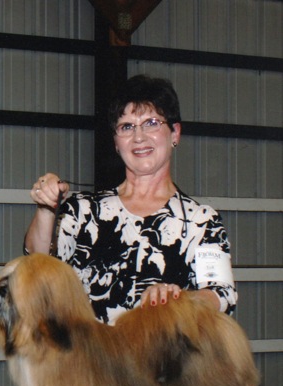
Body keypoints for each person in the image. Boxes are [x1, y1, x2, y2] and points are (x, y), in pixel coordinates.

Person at [25, 74, 237, 325]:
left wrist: (181, 299)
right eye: (127, 126)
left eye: (151, 123)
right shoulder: (82, 211)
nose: (139, 137)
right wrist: (46, 209)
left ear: (175, 133)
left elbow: (222, 296)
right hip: (90, 361)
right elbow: (37, 262)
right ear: (116, 142)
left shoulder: (201, 221)